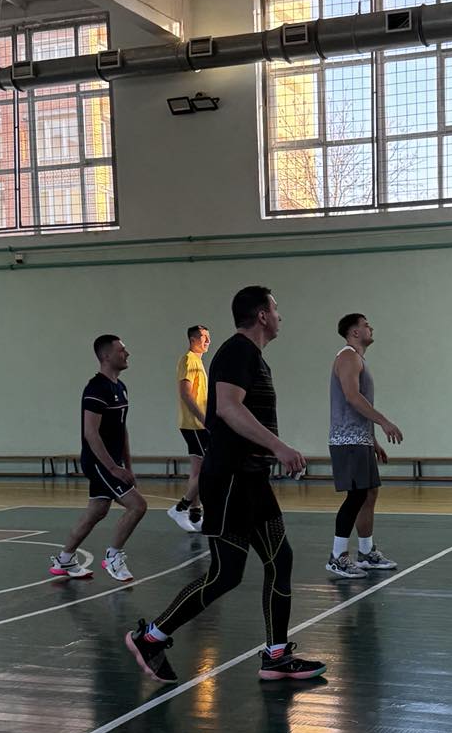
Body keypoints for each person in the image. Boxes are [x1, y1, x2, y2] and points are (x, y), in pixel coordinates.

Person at [125, 286, 326, 684]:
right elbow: (229, 409)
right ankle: (150, 638)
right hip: (231, 478)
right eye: (276, 309)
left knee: (277, 560)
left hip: (251, 478)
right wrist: (279, 446)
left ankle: (276, 655)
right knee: (226, 574)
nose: (280, 316)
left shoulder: (252, 356)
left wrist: (270, 452)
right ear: (262, 316)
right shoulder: (237, 351)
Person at [49, 334, 147, 582]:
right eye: (121, 350)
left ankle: (65, 559)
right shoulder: (96, 388)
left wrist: (128, 466)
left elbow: (122, 430)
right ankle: (113, 557)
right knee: (138, 506)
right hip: (98, 462)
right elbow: (90, 433)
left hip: (112, 463)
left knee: (97, 511)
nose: (127, 353)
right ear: (106, 356)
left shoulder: (121, 388)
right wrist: (113, 468)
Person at [326, 313, 402, 578]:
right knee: (356, 496)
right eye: (366, 324)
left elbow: (359, 407)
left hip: (360, 439)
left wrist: (373, 440)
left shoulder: (358, 359)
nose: (371, 328)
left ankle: (366, 552)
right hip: (347, 440)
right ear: (354, 332)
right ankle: (337, 556)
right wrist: (383, 422)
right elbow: (352, 396)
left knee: (369, 493)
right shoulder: (347, 356)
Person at [168, 323, 210, 532]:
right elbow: (185, 393)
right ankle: (180, 508)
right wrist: (203, 418)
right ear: (193, 339)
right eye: (203, 337)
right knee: (208, 468)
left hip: (196, 424)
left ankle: (195, 515)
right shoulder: (188, 360)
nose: (208, 341)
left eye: (208, 337)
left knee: (197, 471)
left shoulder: (198, 361)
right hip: (195, 424)